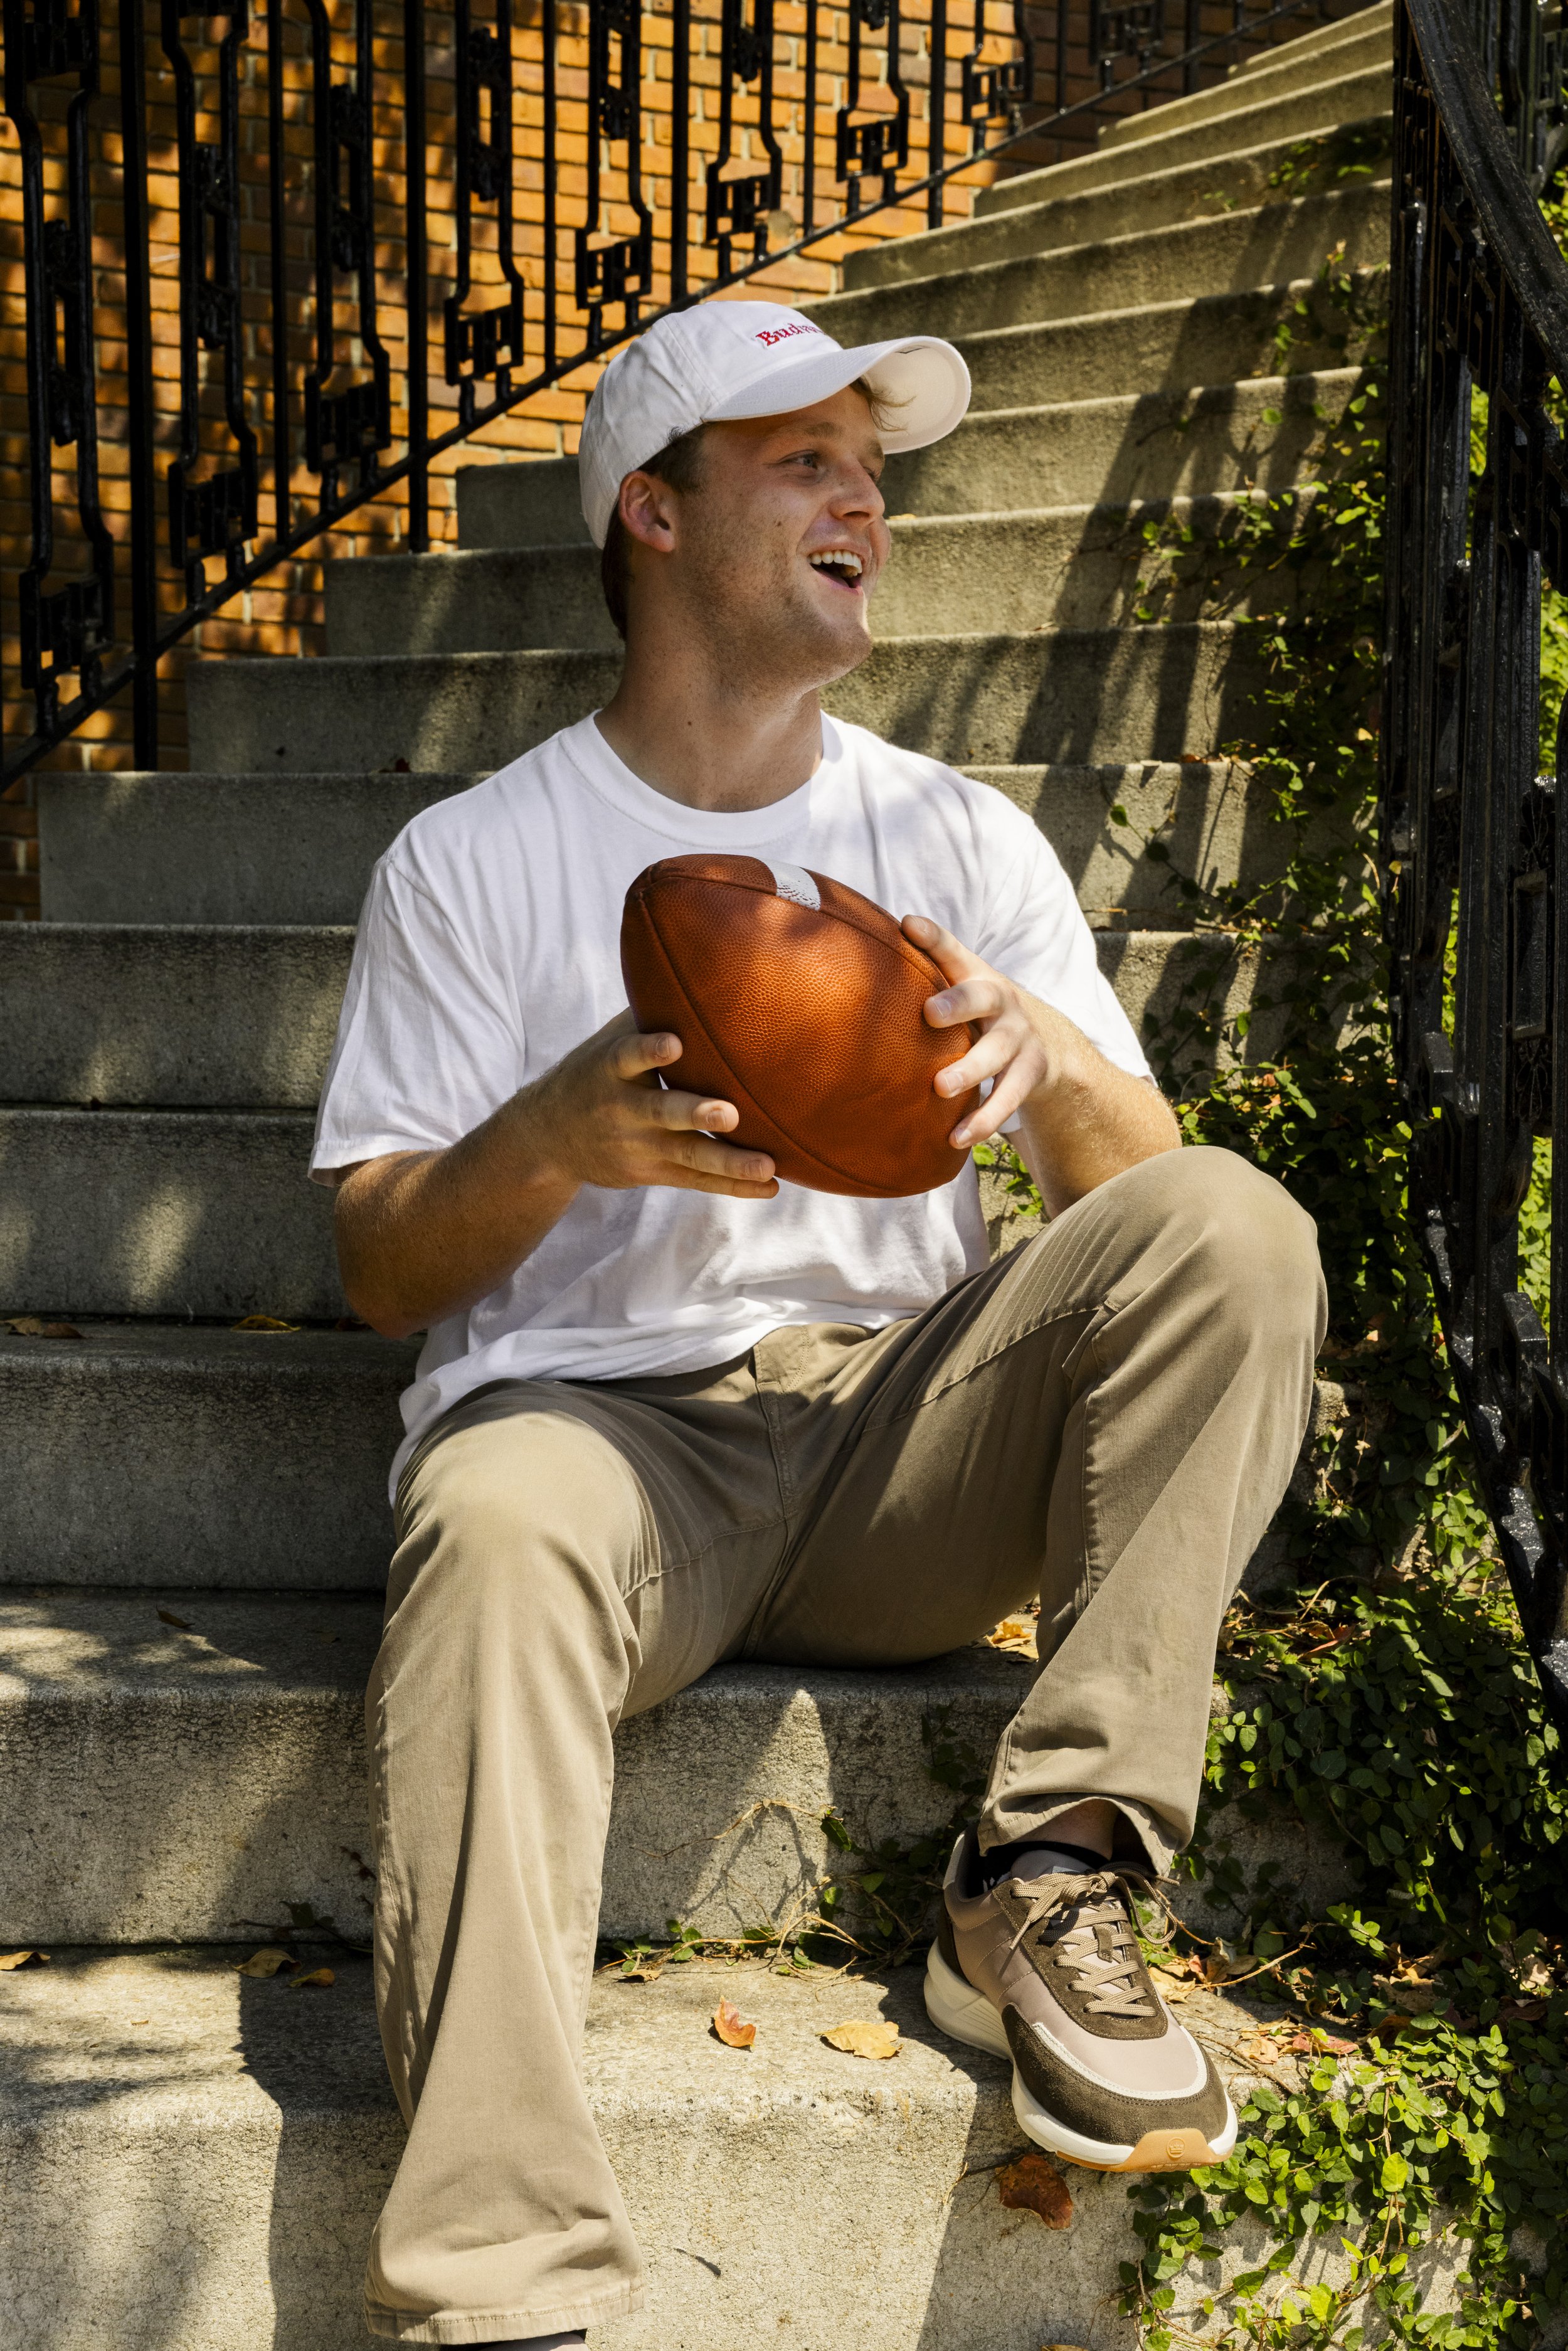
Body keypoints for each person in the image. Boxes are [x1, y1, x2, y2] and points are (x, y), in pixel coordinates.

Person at [310, 296, 1327, 2347]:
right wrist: (554, 1136)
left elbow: (1164, 1236)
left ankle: (1041, 1878)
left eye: (873, 460)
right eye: (803, 456)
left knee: (1240, 1220)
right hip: (611, 1448)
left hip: (901, 1443)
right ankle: (497, 2283)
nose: (865, 490)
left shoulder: (957, 838)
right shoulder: (469, 857)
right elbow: (379, 1265)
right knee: (491, 1524)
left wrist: (1035, 1055)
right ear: (654, 515)